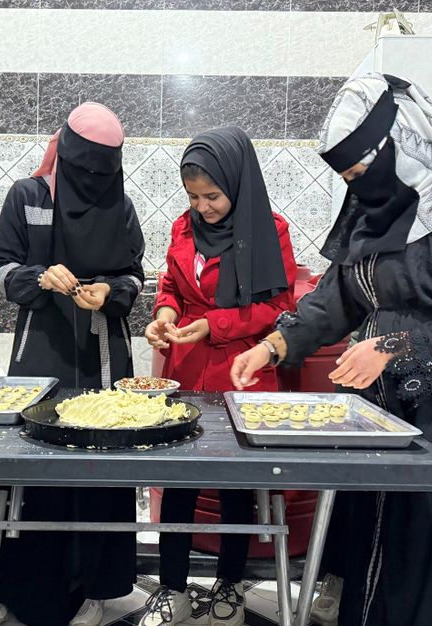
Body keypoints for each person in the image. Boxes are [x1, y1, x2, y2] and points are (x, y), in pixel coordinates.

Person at [231, 73, 432, 626]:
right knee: (379, 546)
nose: (353, 185)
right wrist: (274, 345)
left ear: (394, 149)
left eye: (358, 172)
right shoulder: (372, 213)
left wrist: (390, 348)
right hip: (380, 410)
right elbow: (338, 296)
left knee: (431, 551)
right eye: (345, 176)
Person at [0, 101, 145, 626]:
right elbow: (2, 268)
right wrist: (38, 278)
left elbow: (134, 274)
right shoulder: (28, 196)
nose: (92, 183)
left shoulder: (121, 207)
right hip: (43, 350)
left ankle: (97, 587)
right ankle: (17, 587)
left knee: (101, 466)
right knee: (35, 464)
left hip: (103, 356)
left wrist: (111, 291)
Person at [141, 127, 297, 626]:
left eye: (212, 196)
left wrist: (216, 323)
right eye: (193, 197)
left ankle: (230, 583)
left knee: (235, 485)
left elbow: (279, 306)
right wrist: (164, 315)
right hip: (187, 371)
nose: (202, 207)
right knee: (179, 480)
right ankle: (172, 588)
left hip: (243, 370)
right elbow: (170, 284)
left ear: (236, 184)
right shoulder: (182, 228)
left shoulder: (270, 230)